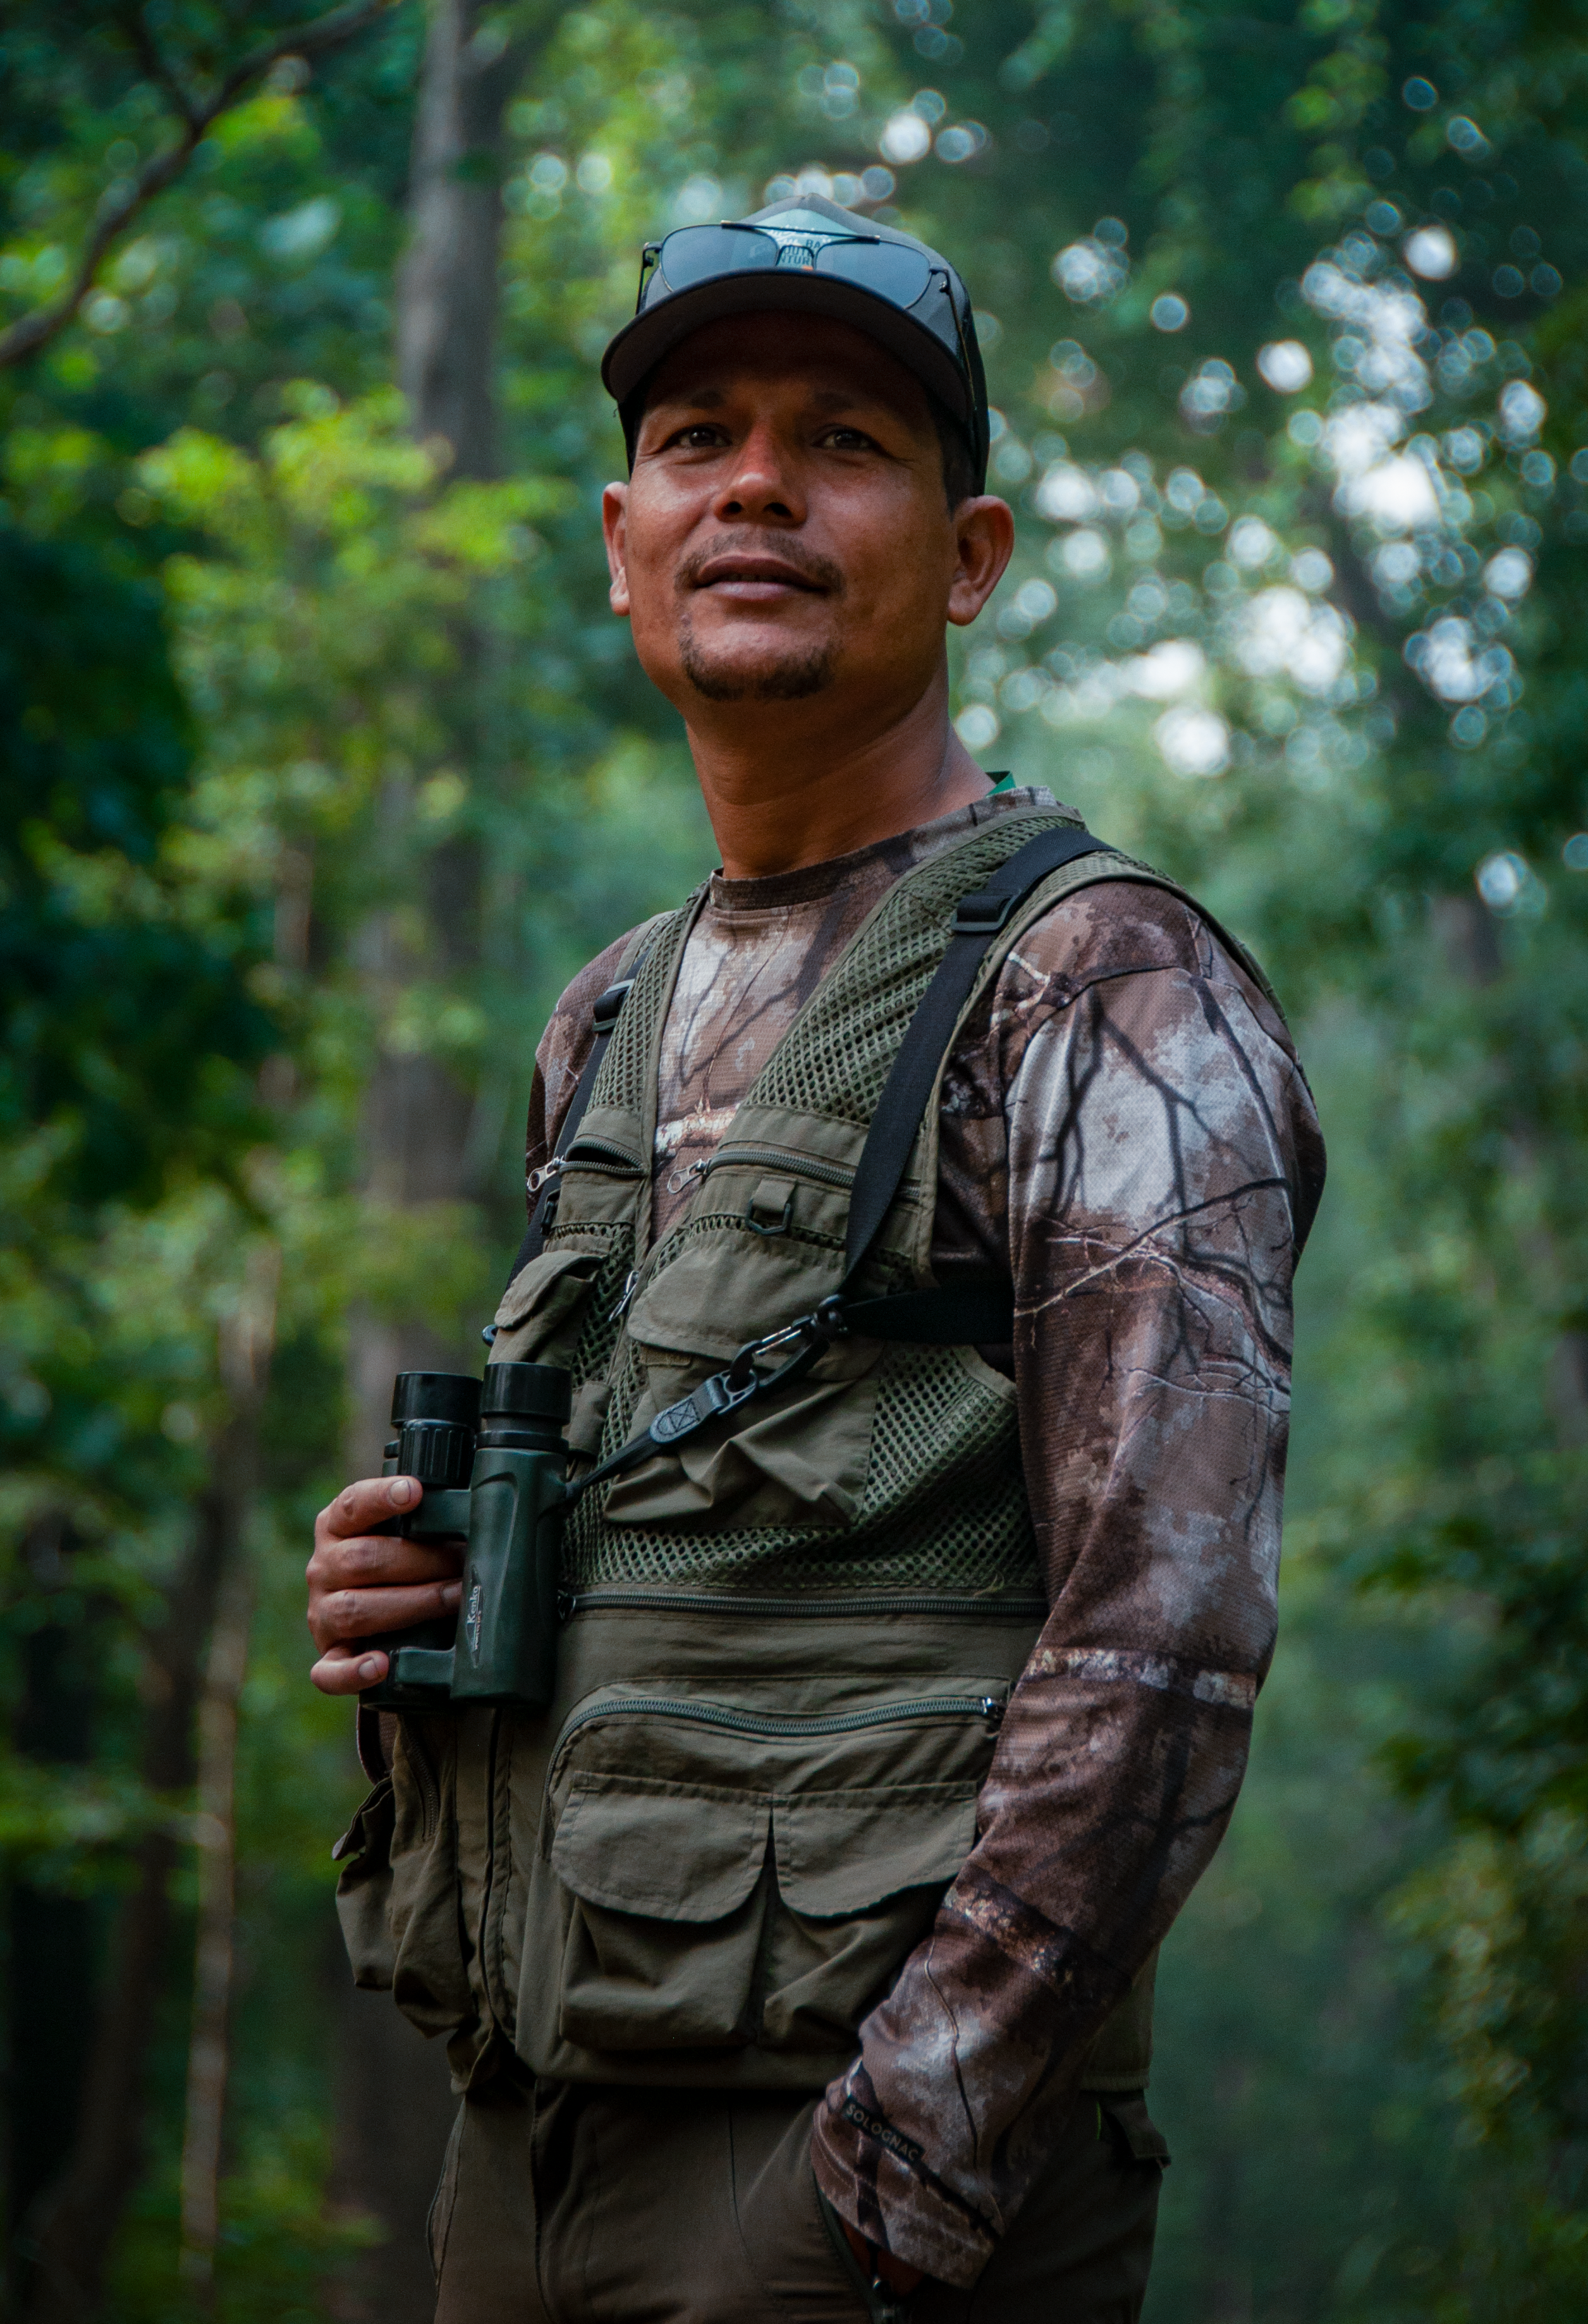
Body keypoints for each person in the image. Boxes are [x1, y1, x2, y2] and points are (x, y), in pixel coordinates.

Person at [307, 193, 1325, 2321]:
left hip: (851, 2187)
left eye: (845, 435)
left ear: (970, 560)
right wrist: (413, 1591)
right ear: (619, 534)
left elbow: (1165, 1640)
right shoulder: (604, 1014)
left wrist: (891, 2182)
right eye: (698, 435)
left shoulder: (1107, 985)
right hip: (526, 2148)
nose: (755, 481)